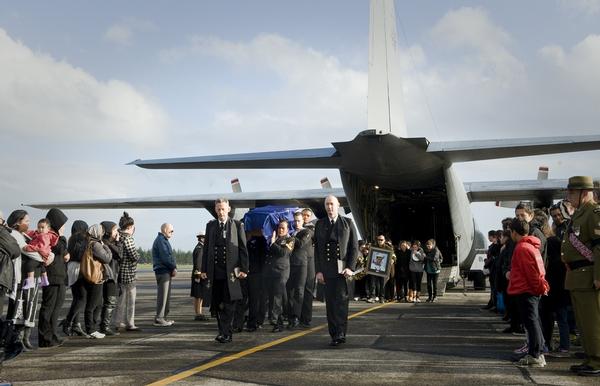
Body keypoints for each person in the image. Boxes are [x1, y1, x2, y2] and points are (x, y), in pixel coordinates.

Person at [562, 176, 600, 376]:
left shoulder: (593, 213)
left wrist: (598, 275)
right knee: (583, 322)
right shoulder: (579, 214)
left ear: (584, 193)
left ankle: (597, 360)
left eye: (571, 193)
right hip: (577, 276)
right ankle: (590, 357)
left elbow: (599, 246)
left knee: (593, 321)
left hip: (589, 275)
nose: (568, 196)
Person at [200, 198, 249, 343]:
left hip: (231, 274)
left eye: (223, 209)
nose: (221, 212)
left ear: (228, 209)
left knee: (229, 305)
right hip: (215, 273)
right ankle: (223, 332)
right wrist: (204, 269)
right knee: (218, 305)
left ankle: (226, 333)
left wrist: (244, 269)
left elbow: (242, 249)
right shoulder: (211, 226)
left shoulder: (237, 225)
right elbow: (207, 248)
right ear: (215, 210)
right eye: (218, 209)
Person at [314, 195, 358, 346]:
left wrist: (350, 267)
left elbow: (354, 248)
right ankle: (333, 334)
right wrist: (318, 271)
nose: (330, 207)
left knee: (341, 303)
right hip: (326, 271)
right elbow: (317, 251)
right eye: (327, 204)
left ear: (338, 205)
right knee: (330, 305)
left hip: (342, 271)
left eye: (332, 204)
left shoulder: (347, 223)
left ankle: (340, 333)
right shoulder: (319, 224)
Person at [507, 217, 549, 368]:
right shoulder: (532, 246)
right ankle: (538, 353)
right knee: (534, 322)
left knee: (531, 323)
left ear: (513, 232)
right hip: (532, 290)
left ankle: (535, 355)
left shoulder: (521, 248)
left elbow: (531, 274)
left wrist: (536, 288)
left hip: (526, 291)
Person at [37, 208, 69, 348]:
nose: (64, 227)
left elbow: (64, 251)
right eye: (62, 223)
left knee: (56, 309)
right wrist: (61, 236)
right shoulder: (49, 235)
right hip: (51, 276)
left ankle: (53, 335)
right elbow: (60, 249)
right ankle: (45, 338)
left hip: (60, 276)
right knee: (48, 308)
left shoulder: (56, 236)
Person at [113, 212, 141, 332]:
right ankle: (130, 323)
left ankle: (118, 322)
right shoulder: (128, 238)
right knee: (130, 301)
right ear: (130, 227)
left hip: (118, 273)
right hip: (128, 274)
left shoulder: (117, 236)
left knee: (120, 300)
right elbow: (134, 255)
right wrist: (138, 255)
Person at [265, 220, 294, 332]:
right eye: (279, 228)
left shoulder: (290, 240)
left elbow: (284, 253)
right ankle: (279, 322)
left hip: (282, 272)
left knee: (278, 296)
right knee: (273, 297)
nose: (280, 230)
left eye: (283, 228)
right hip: (271, 272)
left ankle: (276, 320)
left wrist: (273, 244)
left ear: (287, 229)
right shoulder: (275, 239)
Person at [62, 220, 90, 337]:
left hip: (71, 268)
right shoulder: (82, 238)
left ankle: (76, 324)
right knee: (82, 298)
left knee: (76, 297)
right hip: (79, 268)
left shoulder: (71, 239)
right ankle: (68, 322)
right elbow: (80, 254)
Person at [287, 211, 313, 329]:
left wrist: (290, 238)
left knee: (300, 290)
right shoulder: (293, 233)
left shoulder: (307, 231)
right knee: (291, 291)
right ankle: (293, 316)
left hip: (303, 264)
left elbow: (301, 244)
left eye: (299, 221)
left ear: (303, 221)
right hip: (292, 264)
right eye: (295, 221)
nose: (297, 223)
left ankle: (299, 317)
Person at [152, 223, 177, 327]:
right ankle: (159, 318)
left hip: (165, 271)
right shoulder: (161, 240)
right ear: (165, 230)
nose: (172, 233)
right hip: (163, 271)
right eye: (171, 231)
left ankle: (163, 317)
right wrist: (173, 267)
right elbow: (165, 257)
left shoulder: (163, 240)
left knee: (165, 295)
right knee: (163, 295)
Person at [100, 221, 122, 336]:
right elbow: (120, 254)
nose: (117, 232)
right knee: (110, 302)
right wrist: (118, 242)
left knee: (108, 302)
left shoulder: (106, 242)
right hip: (110, 276)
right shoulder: (107, 244)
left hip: (110, 275)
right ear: (108, 231)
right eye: (114, 230)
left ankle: (104, 325)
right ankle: (105, 326)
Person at [22, 218, 57, 289]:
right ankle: (45, 280)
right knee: (41, 266)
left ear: (48, 229)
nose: (40, 229)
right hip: (42, 256)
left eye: (42, 227)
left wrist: (29, 247)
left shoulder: (45, 236)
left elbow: (41, 247)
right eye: (39, 227)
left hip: (42, 255)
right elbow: (31, 233)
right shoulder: (39, 234)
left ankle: (30, 282)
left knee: (30, 265)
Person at [246, 234, 267, 331]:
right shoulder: (245, 239)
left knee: (256, 300)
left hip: (257, 273)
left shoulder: (260, 240)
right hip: (246, 272)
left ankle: (254, 322)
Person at [191, 231, 208, 321]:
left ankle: (198, 312)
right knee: (199, 296)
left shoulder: (199, 247)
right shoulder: (200, 248)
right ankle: (199, 313)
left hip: (197, 275)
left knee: (198, 296)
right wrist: (198, 276)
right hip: (199, 275)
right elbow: (198, 264)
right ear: (202, 238)